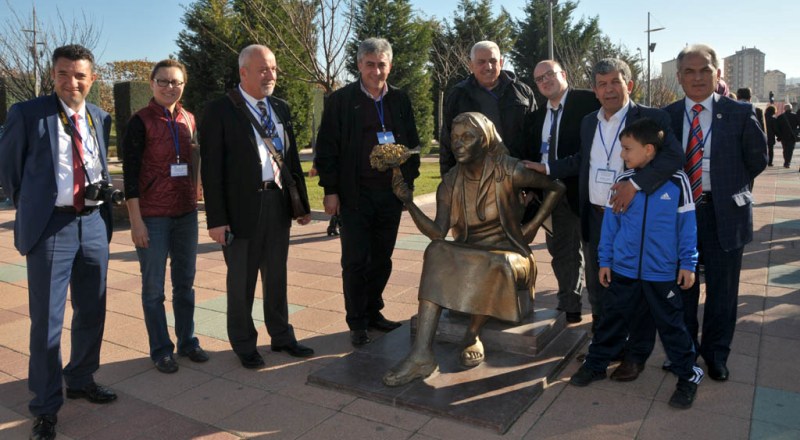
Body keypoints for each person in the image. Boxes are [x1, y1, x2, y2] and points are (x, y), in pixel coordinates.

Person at [525, 59, 684, 378]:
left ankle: (635, 355)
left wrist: (635, 184)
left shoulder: (652, 118)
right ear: (595, 90)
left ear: (629, 85)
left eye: (614, 82)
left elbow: (672, 157)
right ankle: (606, 346)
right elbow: (582, 159)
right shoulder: (589, 122)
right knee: (601, 286)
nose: (608, 89)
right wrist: (548, 168)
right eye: (602, 84)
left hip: (634, 220)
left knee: (635, 289)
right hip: (598, 218)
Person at [383, 112, 565, 387]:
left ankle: (472, 333)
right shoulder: (450, 181)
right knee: (435, 250)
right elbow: (437, 232)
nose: (458, 143)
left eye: (467, 137)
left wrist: (531, 227)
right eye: (454, 137)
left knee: (494, 262)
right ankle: (421, 354)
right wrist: (408, 202)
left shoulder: (509, 170)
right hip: (471, 250)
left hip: (509, 253)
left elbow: (556, 187)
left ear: (485, 140)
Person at [0, 44, 118, 440]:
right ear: (53, 75)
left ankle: (81, 379)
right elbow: (9, 172)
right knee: (47, 322)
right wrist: (34, 205)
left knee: (92, 310)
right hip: (52, 227)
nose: (72, 82)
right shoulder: (27, 113)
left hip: (94, 225)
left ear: (92, 79)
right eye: (63, 74)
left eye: (80, 75)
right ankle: (45, 407)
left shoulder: (99, 116)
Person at [570, 118, 704, 409]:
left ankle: (687, 376)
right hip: (624, 269)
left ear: (649, 149)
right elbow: (610, 228)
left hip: (661, 273)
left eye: (627, 148)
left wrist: (688, 263)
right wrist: (605, 261)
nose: (622, 154)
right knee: (611, 321)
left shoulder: (678, 182)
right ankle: (596, 364)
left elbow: (687, 227)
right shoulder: (623, 183)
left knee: (672, 328)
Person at [200, 44, 314, 369]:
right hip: (240, 211)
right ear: (244, 72)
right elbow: (211, 170)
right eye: (263, 69)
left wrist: (301, 204)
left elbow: (290, 159)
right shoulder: (219, 110)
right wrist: (216, 220)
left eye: (273, 69)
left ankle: (282, 336)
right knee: (242, 282)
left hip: (277, 202)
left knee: (276, 276)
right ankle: (244, 343)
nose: (270, 75)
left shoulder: (280, 107)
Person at [664, 43, 767, 381]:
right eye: (689, 71)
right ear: (679, 77)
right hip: (681, 216)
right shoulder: (666, 116)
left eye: (704, 70)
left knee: (723, 292)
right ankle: (684, 351)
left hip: (724, 214)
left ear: (717, 73)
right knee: (682, 289)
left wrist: (727, 187)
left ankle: (716, 355)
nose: (697, 77)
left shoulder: (740, 112)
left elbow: (757, 159)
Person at [315, 38, 421, 347]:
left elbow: (412, 142)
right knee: (356, 261)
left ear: (390, 66)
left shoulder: (400, 100)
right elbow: (327, 148)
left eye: (382, 65)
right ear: (359, 65)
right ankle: (357, 321)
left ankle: (374, 312)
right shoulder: (340, 100)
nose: (376, 71)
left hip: (389, 195)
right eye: (370, 64)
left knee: (382, 259)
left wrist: (408, 183)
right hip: (355, 195)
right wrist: (331, 190)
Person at [121, 59, 209, 374]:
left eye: (176, 82)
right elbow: (130, 175)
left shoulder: (189, 118)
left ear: (184, 85)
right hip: (153, 216)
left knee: (185, 284)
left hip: (185, 214)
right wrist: (136, 221)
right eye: (163, 81)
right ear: (152, 83)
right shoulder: (140, 121)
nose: (170, 87)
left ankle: (187, 341)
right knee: (153, 289)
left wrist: (198, 188)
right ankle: (161, 349)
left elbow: (196, 158)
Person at [527, 59, 600, 324]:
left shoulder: (589, 102)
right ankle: (569, 306)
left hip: (587, 192)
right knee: (562, 254)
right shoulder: (536, 117)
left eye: (549, 74)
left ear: (564, 74)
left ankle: (600, 315)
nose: (545, 81)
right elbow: (531, 155)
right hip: (552, 196)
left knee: (594, 256)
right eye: (539, 79)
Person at [439, 41, 536, 175]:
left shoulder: (522, 92)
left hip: (516, 175)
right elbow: (447, 142)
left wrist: (533, 180)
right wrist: (448, 178)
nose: (488, 67)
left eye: (493, 61)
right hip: (473, 178)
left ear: (501, 63)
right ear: (471, 65)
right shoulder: (458, 95)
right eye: (481, 62)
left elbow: (535, 136)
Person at [775, 103, 798, 168]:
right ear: (791, 108)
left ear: (784, 109)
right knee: (790, 149)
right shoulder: (795, 116)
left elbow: (777, 127)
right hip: (792, 135)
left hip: (783, 136)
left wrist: (779, 135)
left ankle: (786, 161)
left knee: (785, 149)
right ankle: (787, 162)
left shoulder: (780, 117)